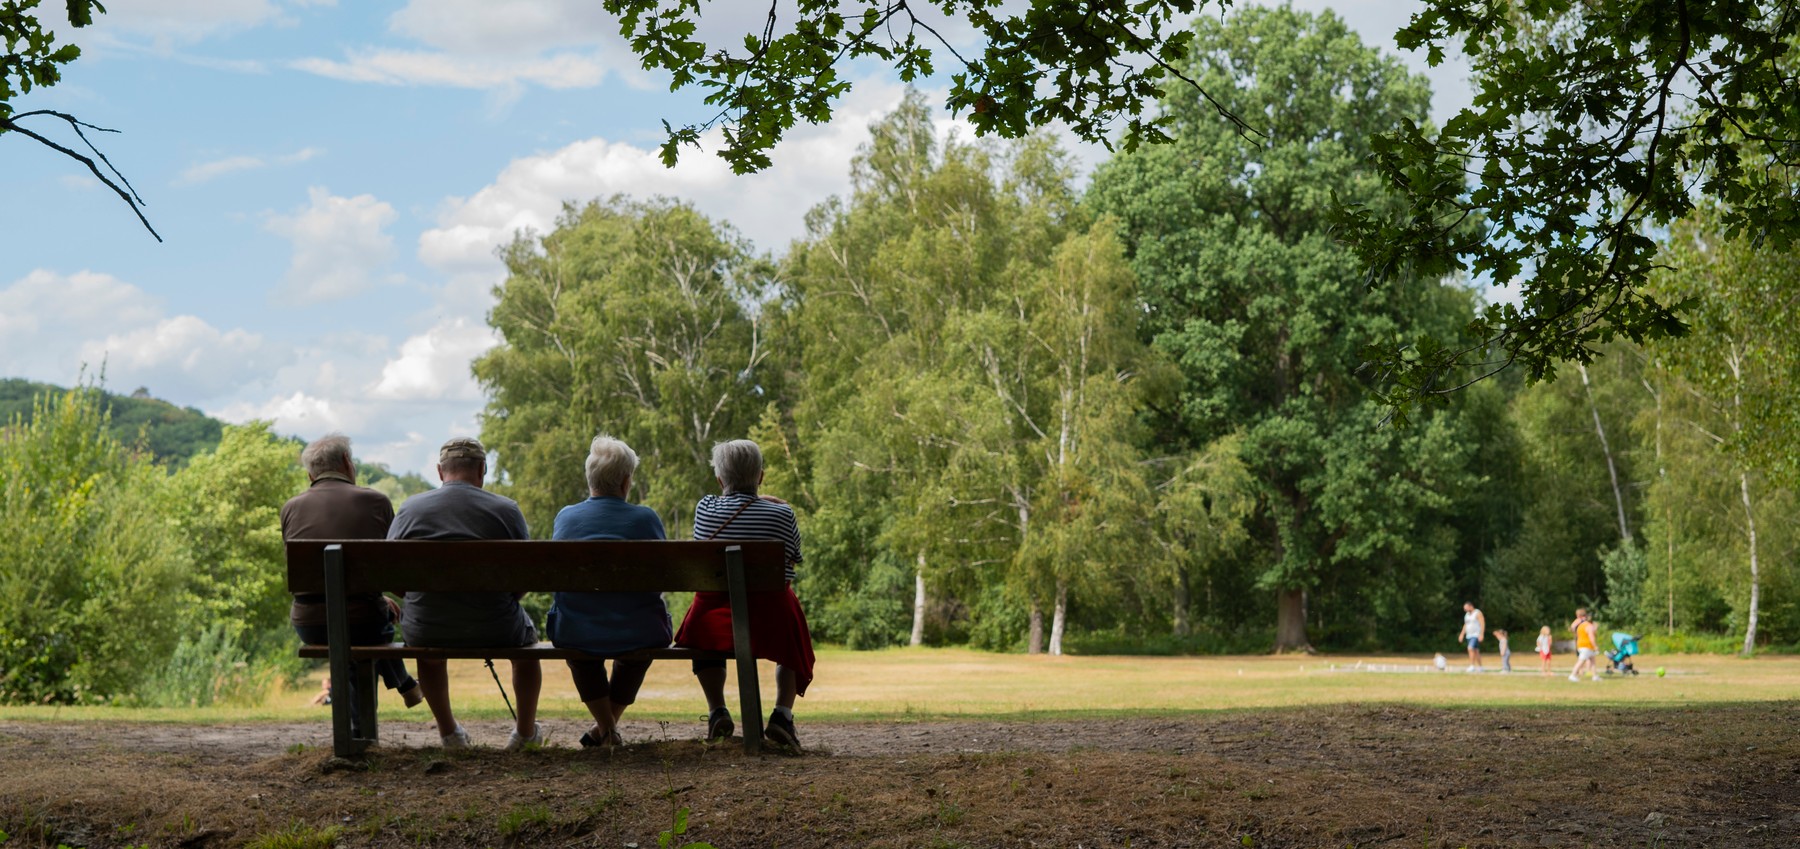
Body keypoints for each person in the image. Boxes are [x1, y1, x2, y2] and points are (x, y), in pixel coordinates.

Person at [390, 437, 544, 750]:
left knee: (427, 651)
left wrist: (420, 602)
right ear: (482, 469)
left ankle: (450, 735)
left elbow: (392, 576)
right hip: (496, 624)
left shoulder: (410, 509)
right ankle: (525, 733)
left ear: (439, 471)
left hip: (428, 626)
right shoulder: (506, 510)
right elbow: (525, 577)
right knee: (526, 648)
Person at [673, 439, 815, 749]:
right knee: (791, 616)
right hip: (771, 620)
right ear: (761, 476)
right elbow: (793, 560)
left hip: (713, 620)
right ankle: (782, 715)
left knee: (701, 625)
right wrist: (770, 503)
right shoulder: (783, 514)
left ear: (720, 480)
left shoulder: (705, 508)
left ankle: (717, 711)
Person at [280, 433, 421, 740]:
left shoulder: (291, 508)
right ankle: (400, 687)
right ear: (347, 462)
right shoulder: (376, 501)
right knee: (369, 624)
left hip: (310, 622)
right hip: (363, 619)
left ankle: (359, 735)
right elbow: (393, 568)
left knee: (351, 627)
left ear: (310, 475)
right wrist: (383, 599)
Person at [546, 435, 670, 748]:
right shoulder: (646, 518)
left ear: (590, 479)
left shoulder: (567, 517)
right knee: (636, 654)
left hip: (577, 629)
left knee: (582, 655)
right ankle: (608, 729)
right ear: (626, 481)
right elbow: (662, 576)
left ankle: (606, 730)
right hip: (639, 630)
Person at [1569, 608, 1601, 682]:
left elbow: (1575, 632)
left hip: (1581, 644)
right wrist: (1595, 646)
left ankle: (1595, 676)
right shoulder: (1589, 626)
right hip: (1586, 646)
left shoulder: (1581, 626)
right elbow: (1591, 637)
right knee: (1581, 661)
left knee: (1592, 661)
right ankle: (1572, 675)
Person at [1456, 601, 1486, 672]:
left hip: (1475, 634)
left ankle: (1472, 666)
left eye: (1466, 608)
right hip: (1469, 635)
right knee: (1476, 651)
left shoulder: (1477, 613)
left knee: (1470, 648)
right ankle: (1480, 667)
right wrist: (1462, 634)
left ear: (1471, 606)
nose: (1465, 610)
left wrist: (1481, 634)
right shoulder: (1467, 615)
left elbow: (1482, 623)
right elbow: (1465, 625)